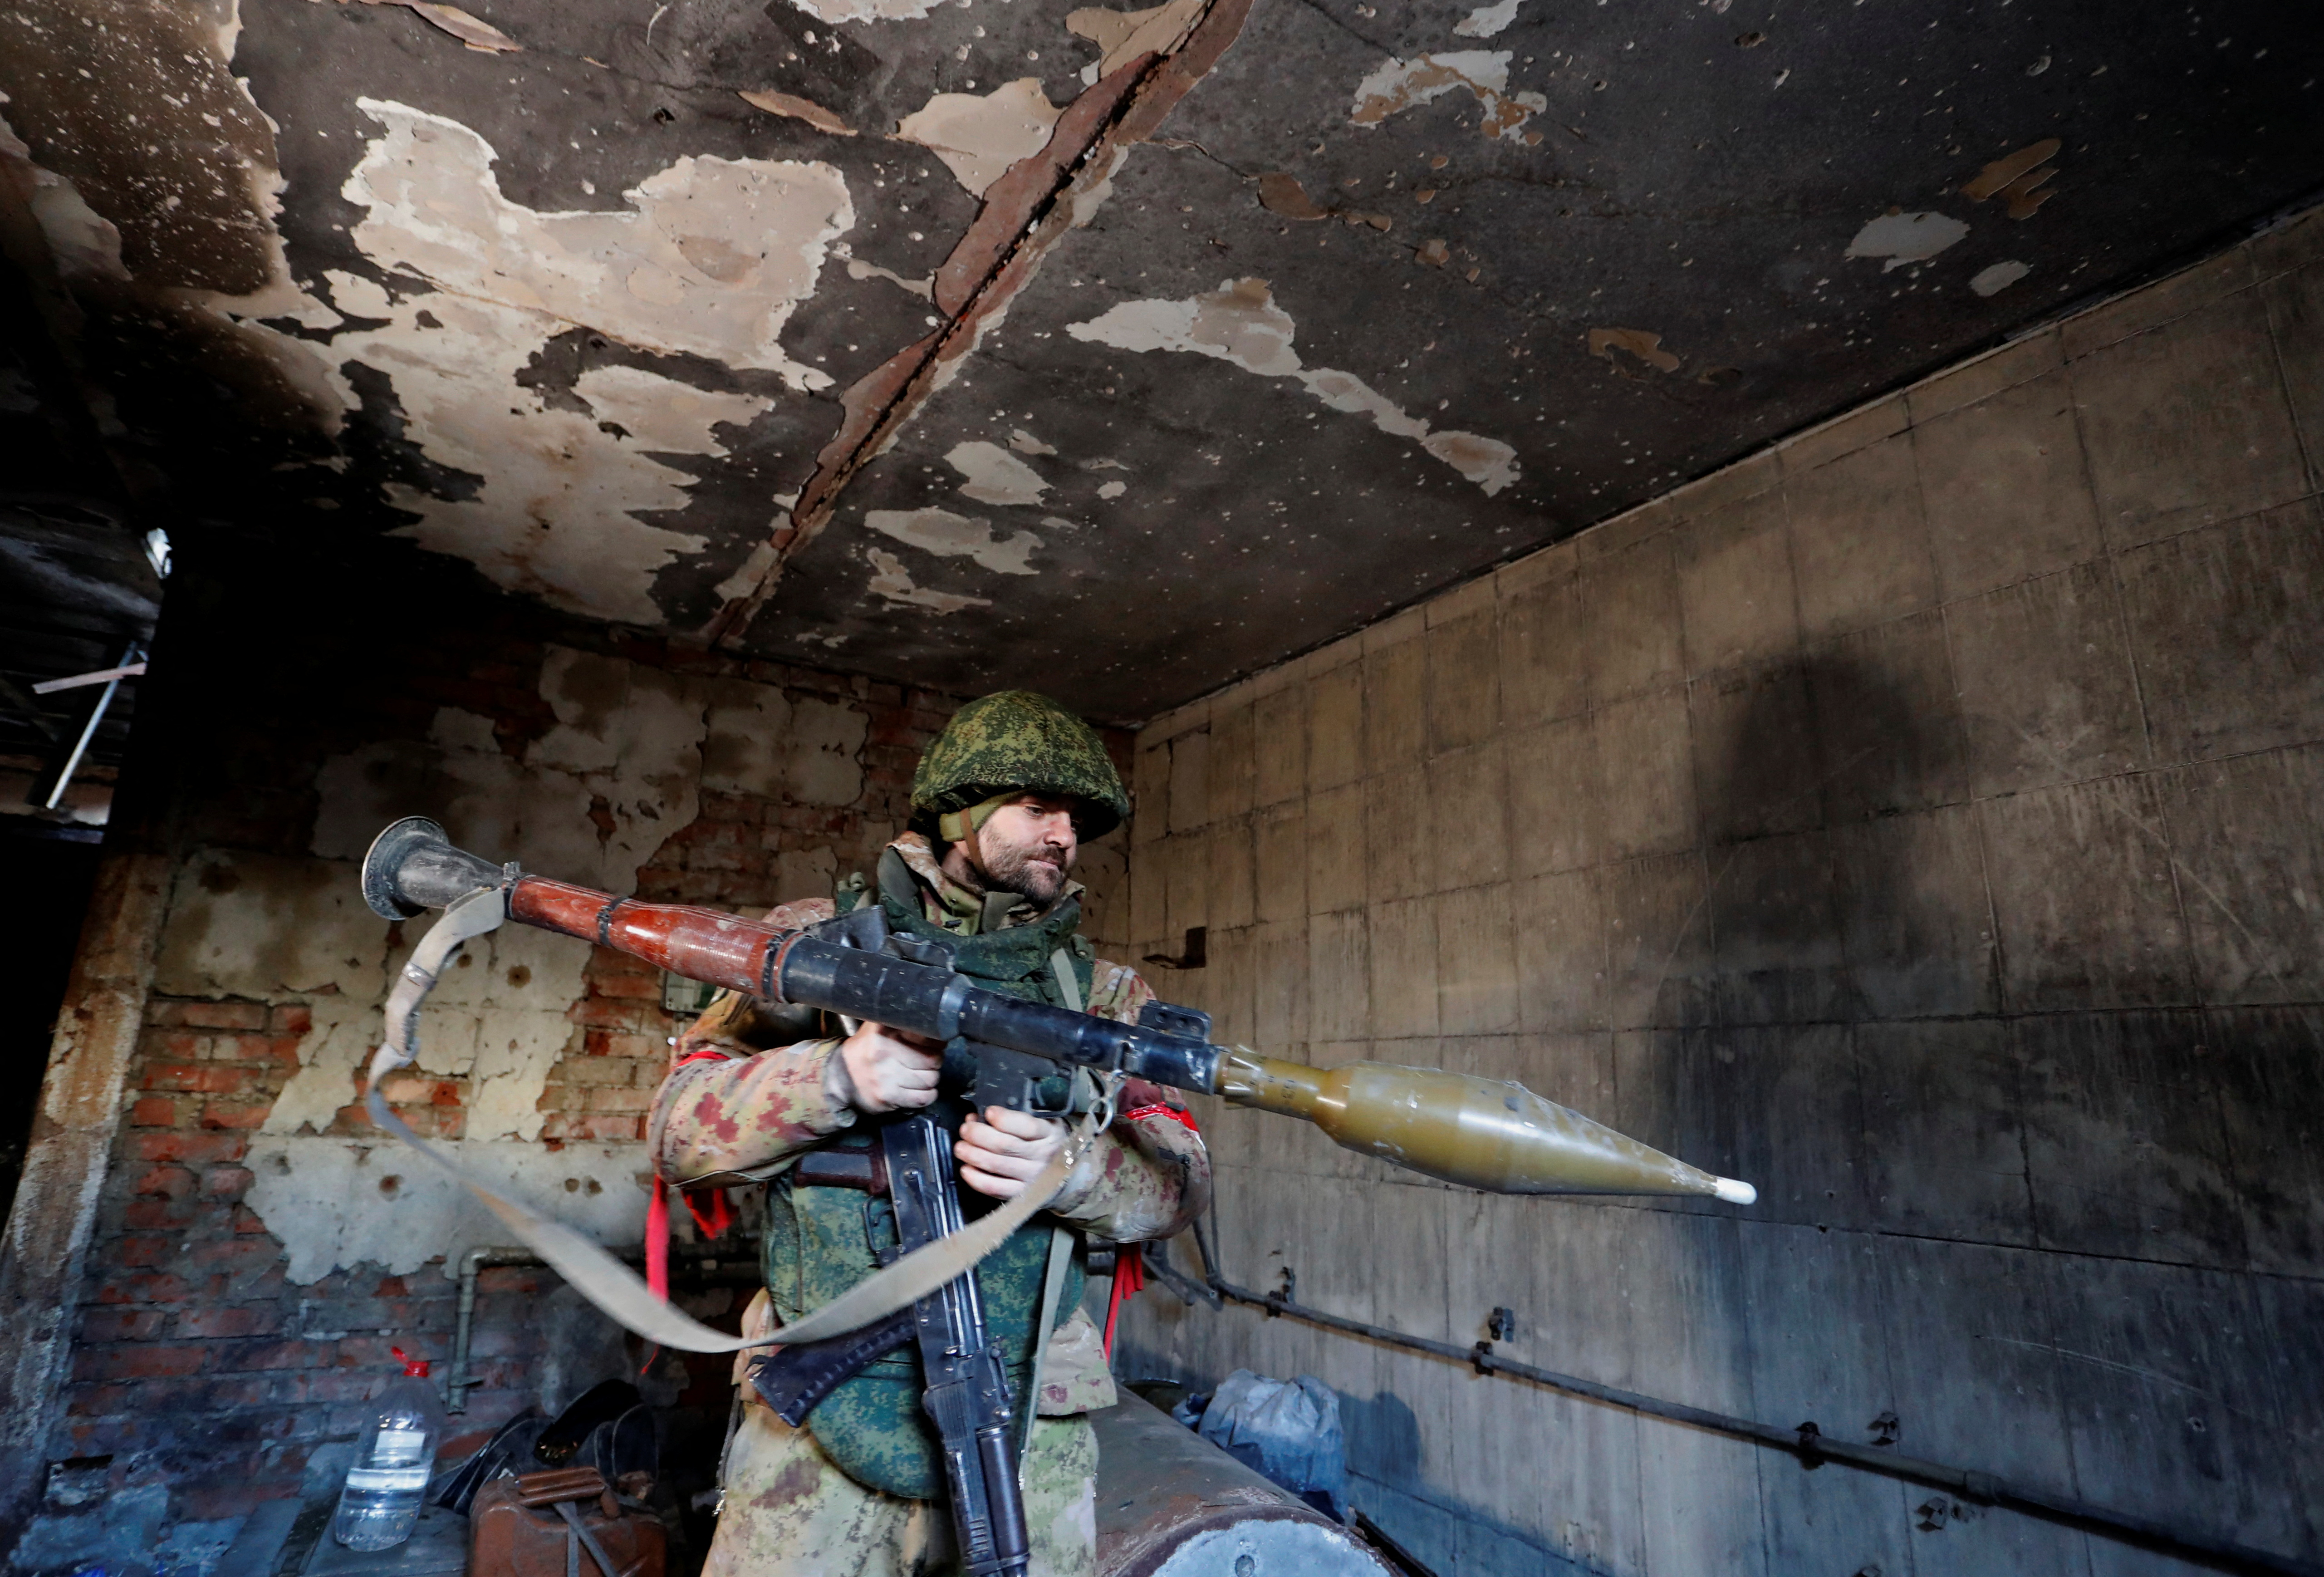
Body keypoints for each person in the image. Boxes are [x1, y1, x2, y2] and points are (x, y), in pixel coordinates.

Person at [649, 690, 1211, 1577]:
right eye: (1037, 807)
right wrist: (832, 1079)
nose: (1063, 835)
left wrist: (1072, 1168)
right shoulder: (814, 948)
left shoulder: (1104, 997)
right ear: (960, 813)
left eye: (1075, 820)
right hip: (814, 1423)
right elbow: (676, 1131)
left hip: (1029, 1424)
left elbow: (1180, 1183)